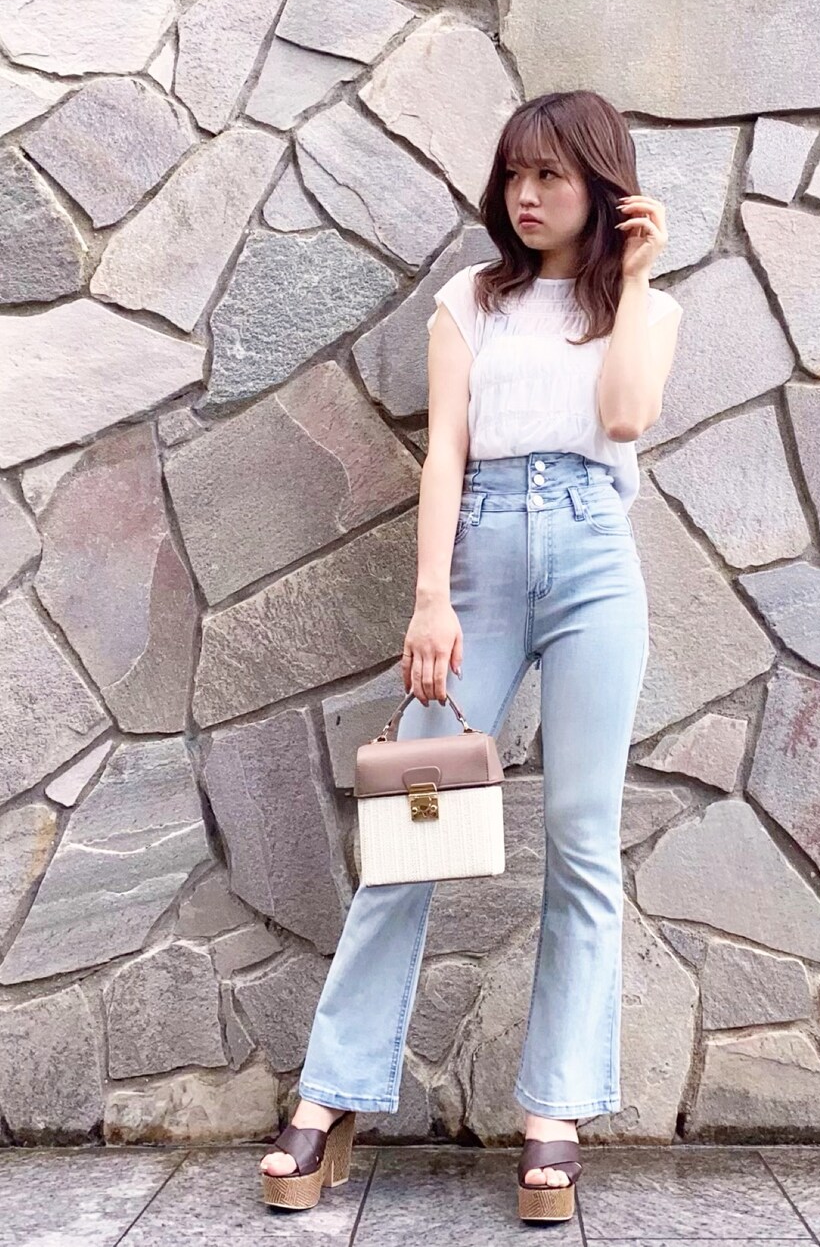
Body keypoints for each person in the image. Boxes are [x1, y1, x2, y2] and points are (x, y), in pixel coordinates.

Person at [258, 89, 683, 1222]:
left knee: (582, 839)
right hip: (480, 557)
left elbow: (624, 418)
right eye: (514, 176)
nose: (526, 195)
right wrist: (430, 599)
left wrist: (637, 281)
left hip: (595, 558)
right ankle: (330, 1093)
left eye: (551, 175)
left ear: (601, 185)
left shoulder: (647, 309)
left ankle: (555, 1114)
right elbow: (443, 449)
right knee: (412, 830)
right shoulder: (471, 300)